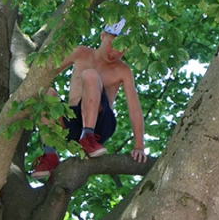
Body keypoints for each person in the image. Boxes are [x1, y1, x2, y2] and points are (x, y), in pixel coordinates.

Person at [31, 18, 147, 179]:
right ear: (102, 36)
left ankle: (88, 135)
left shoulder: (123, 70)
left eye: (122, 48)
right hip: (72, 123)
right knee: (45, 93)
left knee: (90, 75)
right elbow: (46, 74)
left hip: (100, 124)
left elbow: (134, 109)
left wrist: (139, 146)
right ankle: (50, 155)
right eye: (113, 44)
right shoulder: (80, 53)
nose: (115, 52)